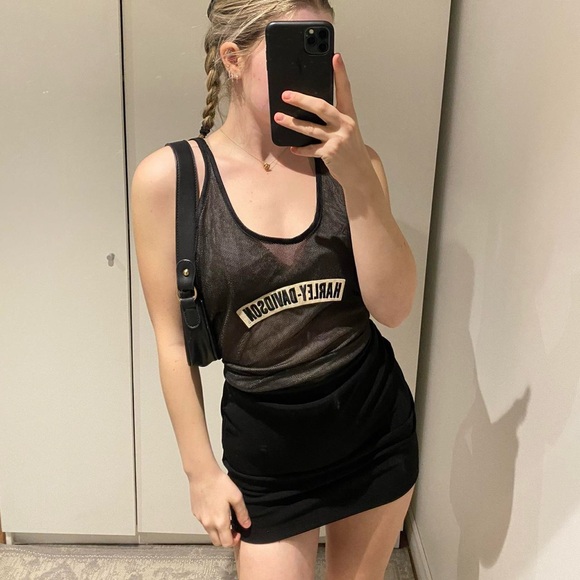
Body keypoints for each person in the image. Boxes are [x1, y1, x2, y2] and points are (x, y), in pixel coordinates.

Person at [131, 1, 419, 578]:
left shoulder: (355, 167)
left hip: (375, 430)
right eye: (296, 45)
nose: (316, 68)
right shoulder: (171, 180)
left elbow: (394, 308)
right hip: (268, 456)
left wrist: (359, 179)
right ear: (232, 59)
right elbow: (171, 342)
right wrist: (200, 472)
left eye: (323, 44)